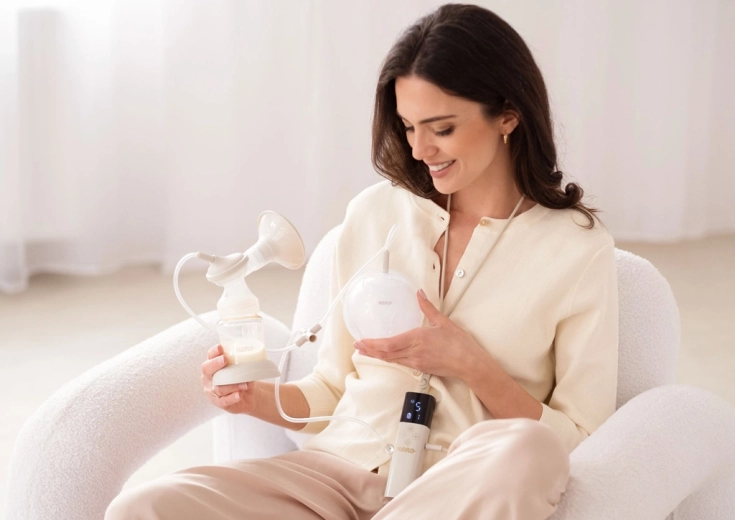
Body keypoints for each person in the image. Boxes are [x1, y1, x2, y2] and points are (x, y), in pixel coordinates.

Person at [106, 4, 617, 519]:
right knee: (145, 507)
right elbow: (330, 389)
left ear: (508, 114)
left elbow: (579, 437)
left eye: (441, 128)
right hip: (331, 480)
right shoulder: (375, 213)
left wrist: (471, 365)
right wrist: (253, 397)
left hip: (454, 492)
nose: (420, 150)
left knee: (531, 450)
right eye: (408, 127)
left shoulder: (576, 249)